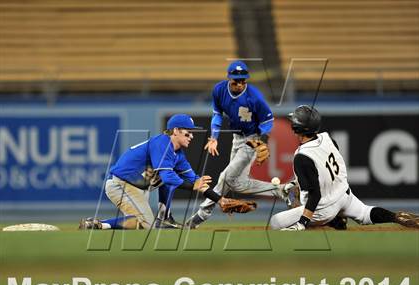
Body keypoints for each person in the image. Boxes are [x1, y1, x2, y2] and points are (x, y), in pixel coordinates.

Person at [79, 114, 241, 230]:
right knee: (147, 223)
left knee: (143, 221)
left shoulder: (178, 155)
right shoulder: (162, 144)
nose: (191, 136)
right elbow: (170, 178)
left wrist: (220, 200)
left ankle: (164, 218)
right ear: (175, 130)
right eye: (188, 132)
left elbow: (195, 181)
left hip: (136, 187)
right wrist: (194, 185)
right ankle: (98, 224)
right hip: (120, 185)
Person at [270, 105, 419, 230]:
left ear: (296, 128)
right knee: (365, 213)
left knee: (275, 222)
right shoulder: (327, 138)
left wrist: (302, 223)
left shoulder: (301, 156)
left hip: (324, 209)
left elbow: (315, 195)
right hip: (344, 195)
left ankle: (334, 220)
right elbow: (324, 167)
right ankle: (395, 216)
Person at [186, 60, 290, 228]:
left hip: (251, 139)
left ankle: (201, 215)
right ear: (229, 78)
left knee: (225, 176)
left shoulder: (254, 97)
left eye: (243, 80)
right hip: (236, 138)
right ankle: (282, 190)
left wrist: (261, 141)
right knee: (237, 183)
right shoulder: (219, 90)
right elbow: (217, 114)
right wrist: (214, 137)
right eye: (236, 81)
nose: (240, 84)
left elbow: (268, 121)